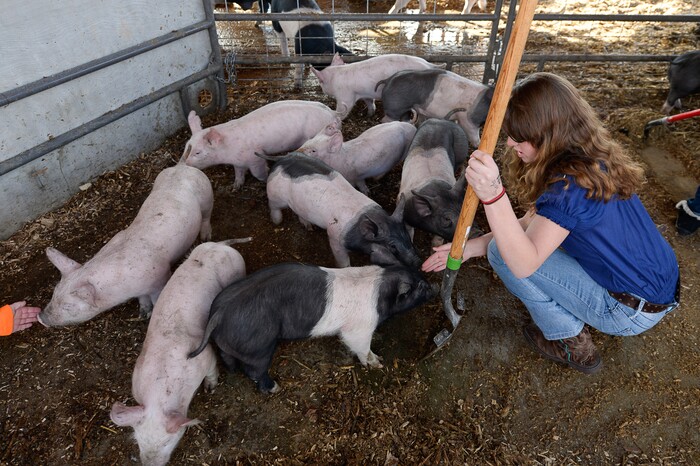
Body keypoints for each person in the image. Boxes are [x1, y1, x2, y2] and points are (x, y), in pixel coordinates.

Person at [422, 72, 680, 375]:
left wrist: (493, 195)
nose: (509, 143)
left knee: (501, 254)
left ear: (548, 135)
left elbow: (523, 263)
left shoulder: (568, 190)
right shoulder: (587, 159)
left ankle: (571, 341)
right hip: (656, 285)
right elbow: (531, 223)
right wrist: (466, 248)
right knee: (498, 245)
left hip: (628, 311)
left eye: (520, 137)